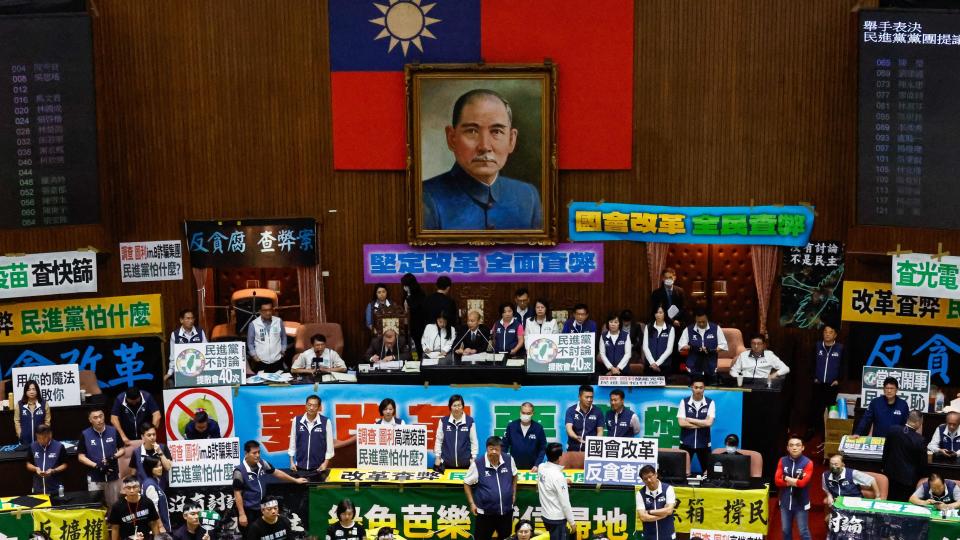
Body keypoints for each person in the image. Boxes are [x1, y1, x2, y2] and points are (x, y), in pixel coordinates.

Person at [422, 88, 542, 231]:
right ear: (452, 138)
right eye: (472, 131)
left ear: (511, 140)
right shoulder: (426, 198)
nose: (484, 146)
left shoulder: (527, 195)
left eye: (496, 131)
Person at [232, 441, 307, 532]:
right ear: (246, 454)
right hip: (249, 510)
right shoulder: (239, 471)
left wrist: (295, 480)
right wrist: (242, 514)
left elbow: (277, 473)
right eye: (254, 453)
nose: (257, 455)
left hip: (263, 509)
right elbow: (237, 493)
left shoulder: (263, 463)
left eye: (259, 452)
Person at [463, 436, 518, 540]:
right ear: (486, 449)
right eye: (491, 449)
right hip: (485, 513)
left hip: (506, 511)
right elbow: (466, 483)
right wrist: (472, 503)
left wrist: (514, 493)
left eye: (496, 449)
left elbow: (515, 475)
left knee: (505, 538)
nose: (493, 451)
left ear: (500, 449)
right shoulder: (478, 464)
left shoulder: (509, 459)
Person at [78, 408, 124, 505]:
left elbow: (122, 450)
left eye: (101, 416)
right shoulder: (85, 434)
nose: (99, 420)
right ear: (90, 420)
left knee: (114, 505)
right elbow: (81, 457)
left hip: (113, 475)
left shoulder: (113, 431)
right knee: (96, 506)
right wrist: (96, 465)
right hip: (95, 476)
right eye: (95, 418)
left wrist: (113, 457)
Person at [808, 324, 844, 440]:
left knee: (831, 410)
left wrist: (839, 380)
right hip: (818, 384)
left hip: (832, 385)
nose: (827, 334)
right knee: (815, 409)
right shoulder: (817, 346)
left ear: (835, 335)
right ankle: (814, 431)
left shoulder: (840, 348)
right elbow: (811, 363)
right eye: (825, 332)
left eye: (830, 332)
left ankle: (828, 436)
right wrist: (813, 377)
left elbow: (845, 366)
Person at [882, 410, 927, 501]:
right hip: (908, 480)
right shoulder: (920, 440)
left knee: (890, 501)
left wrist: (883, 467)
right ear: (918, 422)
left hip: (890, 474)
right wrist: (922, 475)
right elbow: (922, 463)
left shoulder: (893, 429)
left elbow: (886, 451)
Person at [775, 437, 813, 540]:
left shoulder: (808, 462)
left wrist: (785, 477)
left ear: (803, 448)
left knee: (803, 531)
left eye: (797, 445)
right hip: (785, 502)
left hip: (801, 502)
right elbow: (777, 481)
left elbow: (802, 483)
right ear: (787, 448)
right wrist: (793, 481)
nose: (794, 448)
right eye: (791, 445)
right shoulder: (782, 460)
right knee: (785, 530)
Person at [537, 443, 576, 540]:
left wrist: (562, 482)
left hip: (546, 515)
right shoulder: (558, 477)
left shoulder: (541, 467)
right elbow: (565, 503)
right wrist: (572, 522)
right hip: (557, 519)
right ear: (560, 457)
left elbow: (548, 483)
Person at [288, 394, 335, 474]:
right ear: (305, 405)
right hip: (299, 466)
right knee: (301, 486)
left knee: (316, 486)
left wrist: (325, 463)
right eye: (309, 405)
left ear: (319, 407)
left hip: (319, 467)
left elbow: (330, 446)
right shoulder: (297, 420)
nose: (311, 408)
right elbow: (292, 442)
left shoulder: (326, 422)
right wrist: (292, 462)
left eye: (315, 406)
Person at [677, 376, 715, 472]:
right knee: (682, 472)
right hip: (686, 442)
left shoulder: (710, 403)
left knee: (708, 473)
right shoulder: (684, 402)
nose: (698, 390)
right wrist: (703, 423)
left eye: (701, 387)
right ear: (691, 388)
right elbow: (681, 423)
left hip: (704, 443)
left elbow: (709, 422)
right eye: (696, 387)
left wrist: (690, 420)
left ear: (704, 388)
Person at [678, 309, 728, 382]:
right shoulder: (688, 330)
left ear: (707, 318)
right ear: (695, 319)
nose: (701, 324)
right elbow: (681, 346)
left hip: (711, 367)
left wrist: (711, 350)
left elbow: (723, 345)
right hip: (693, 367)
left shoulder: (716, 328)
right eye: (699, 322)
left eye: (703, 322)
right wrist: (692, 348)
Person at [434, 394, 479, 470]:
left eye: (459, 405)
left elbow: (474, 441)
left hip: (466, 464)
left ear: (463, 406)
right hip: (446, 465)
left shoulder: (469, 421)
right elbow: (439, 440)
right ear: (450, 407)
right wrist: (438, 457)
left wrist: (473, 458)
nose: (457, 408)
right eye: (454, 405)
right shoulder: (443, 421)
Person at [166, 309, 207, 384]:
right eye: (188, 318)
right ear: (181, 320)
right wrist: (170, 372)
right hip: (181, 369)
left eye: (192, 318)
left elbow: (206, 351)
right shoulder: (175, 334)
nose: (191, 321)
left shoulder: (200, 332)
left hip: (199, 368)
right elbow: (173, 355)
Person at [501, 402, 546, 470]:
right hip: (513, 467)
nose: (525, 415)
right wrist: (505, 463)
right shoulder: (511, 426)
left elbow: (542, 448)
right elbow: (504, 446)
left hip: (533, 468)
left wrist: (537, 465)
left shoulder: (538, 428)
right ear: (520, 412)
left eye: (528, 413)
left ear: (532, 413)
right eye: (523, 412)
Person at [636, 464, 676, 540]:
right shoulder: (640, 493)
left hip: (667, 534)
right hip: (649, 536)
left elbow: (669, 510)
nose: (649, 480)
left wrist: (649, 512)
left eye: (650, 476)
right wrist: (662, 515)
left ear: (656, 475)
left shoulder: (668, 489)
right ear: (643, 480)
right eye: (645, 479)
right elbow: (643, 517)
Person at [246, 300, 287, 373]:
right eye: (265, 310)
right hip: (261, 362)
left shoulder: (278, 321)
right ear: (260, 311)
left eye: (270, 310)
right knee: (262, 383)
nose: (268, 313)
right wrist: (254, 356)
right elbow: (250, 343)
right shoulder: (253, 324)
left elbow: (283, 337)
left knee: (279, 383)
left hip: (277, 360)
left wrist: (283, 350)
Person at [26, 424, 66, 495]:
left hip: (55, 488)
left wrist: (53, 470)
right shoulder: (32, 446)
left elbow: (64, 464)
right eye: (38, 438)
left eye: (44, 438)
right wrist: (36, 469)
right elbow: (28, 464)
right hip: (38, 489)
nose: (41, 440)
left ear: (50, 435)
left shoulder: (59, 446)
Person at [564, 385, 603, 451]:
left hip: (590, 450)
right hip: (573, 449)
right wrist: (576, 437)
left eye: (591, 397)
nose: (589, 400)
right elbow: (569, 429)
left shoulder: (598, 411)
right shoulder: (571, 410)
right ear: (579, 397)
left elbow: (600, 431)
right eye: (587, 397)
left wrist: (595, 443)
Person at [15, 379, 50, 448]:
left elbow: (47, 421)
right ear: (25, 392)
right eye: (29, 390)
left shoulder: (44, 404)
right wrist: (20, 435)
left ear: (37, 391)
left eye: (34, 389)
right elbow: (17, 421)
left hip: (41, 441)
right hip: (24, 442)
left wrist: (44, 435)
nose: (31, 392)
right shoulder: (20, 404)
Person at [141, 455, 171, 533]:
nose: (160, 468)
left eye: (160, 465)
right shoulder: (150, 485)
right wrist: (160, 526)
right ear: (149, 468)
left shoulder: (154, 482)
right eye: (156, 467)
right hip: (157, 528)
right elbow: (154, 509)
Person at [401, 273, 427, 358]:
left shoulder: (420, 294)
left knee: (419, 348)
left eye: (405, 285)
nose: (404, 287)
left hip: (419, 326)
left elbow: (417, 309)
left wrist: (408, 300)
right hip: (410, 326)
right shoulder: (407, 295)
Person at [642, 307, 675, 375]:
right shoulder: (648, 327)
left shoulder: (670, 329)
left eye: (660, 312)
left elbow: (669, 349)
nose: (658, 315)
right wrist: (652, 363)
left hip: (665, 366)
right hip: (650, 365)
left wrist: (657, 363)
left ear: (665, 314)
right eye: (656, 313)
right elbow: (645, 347)